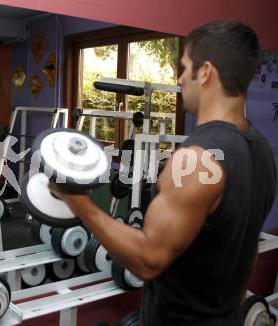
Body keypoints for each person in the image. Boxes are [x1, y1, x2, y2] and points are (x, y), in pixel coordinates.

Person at [50, 20, 277, 325]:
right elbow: (247, 252)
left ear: (206, 72)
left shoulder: (196, 159)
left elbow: (147, 260)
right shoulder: (262, 151)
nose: (180, 79)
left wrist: (79, 203)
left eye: (184, 68)